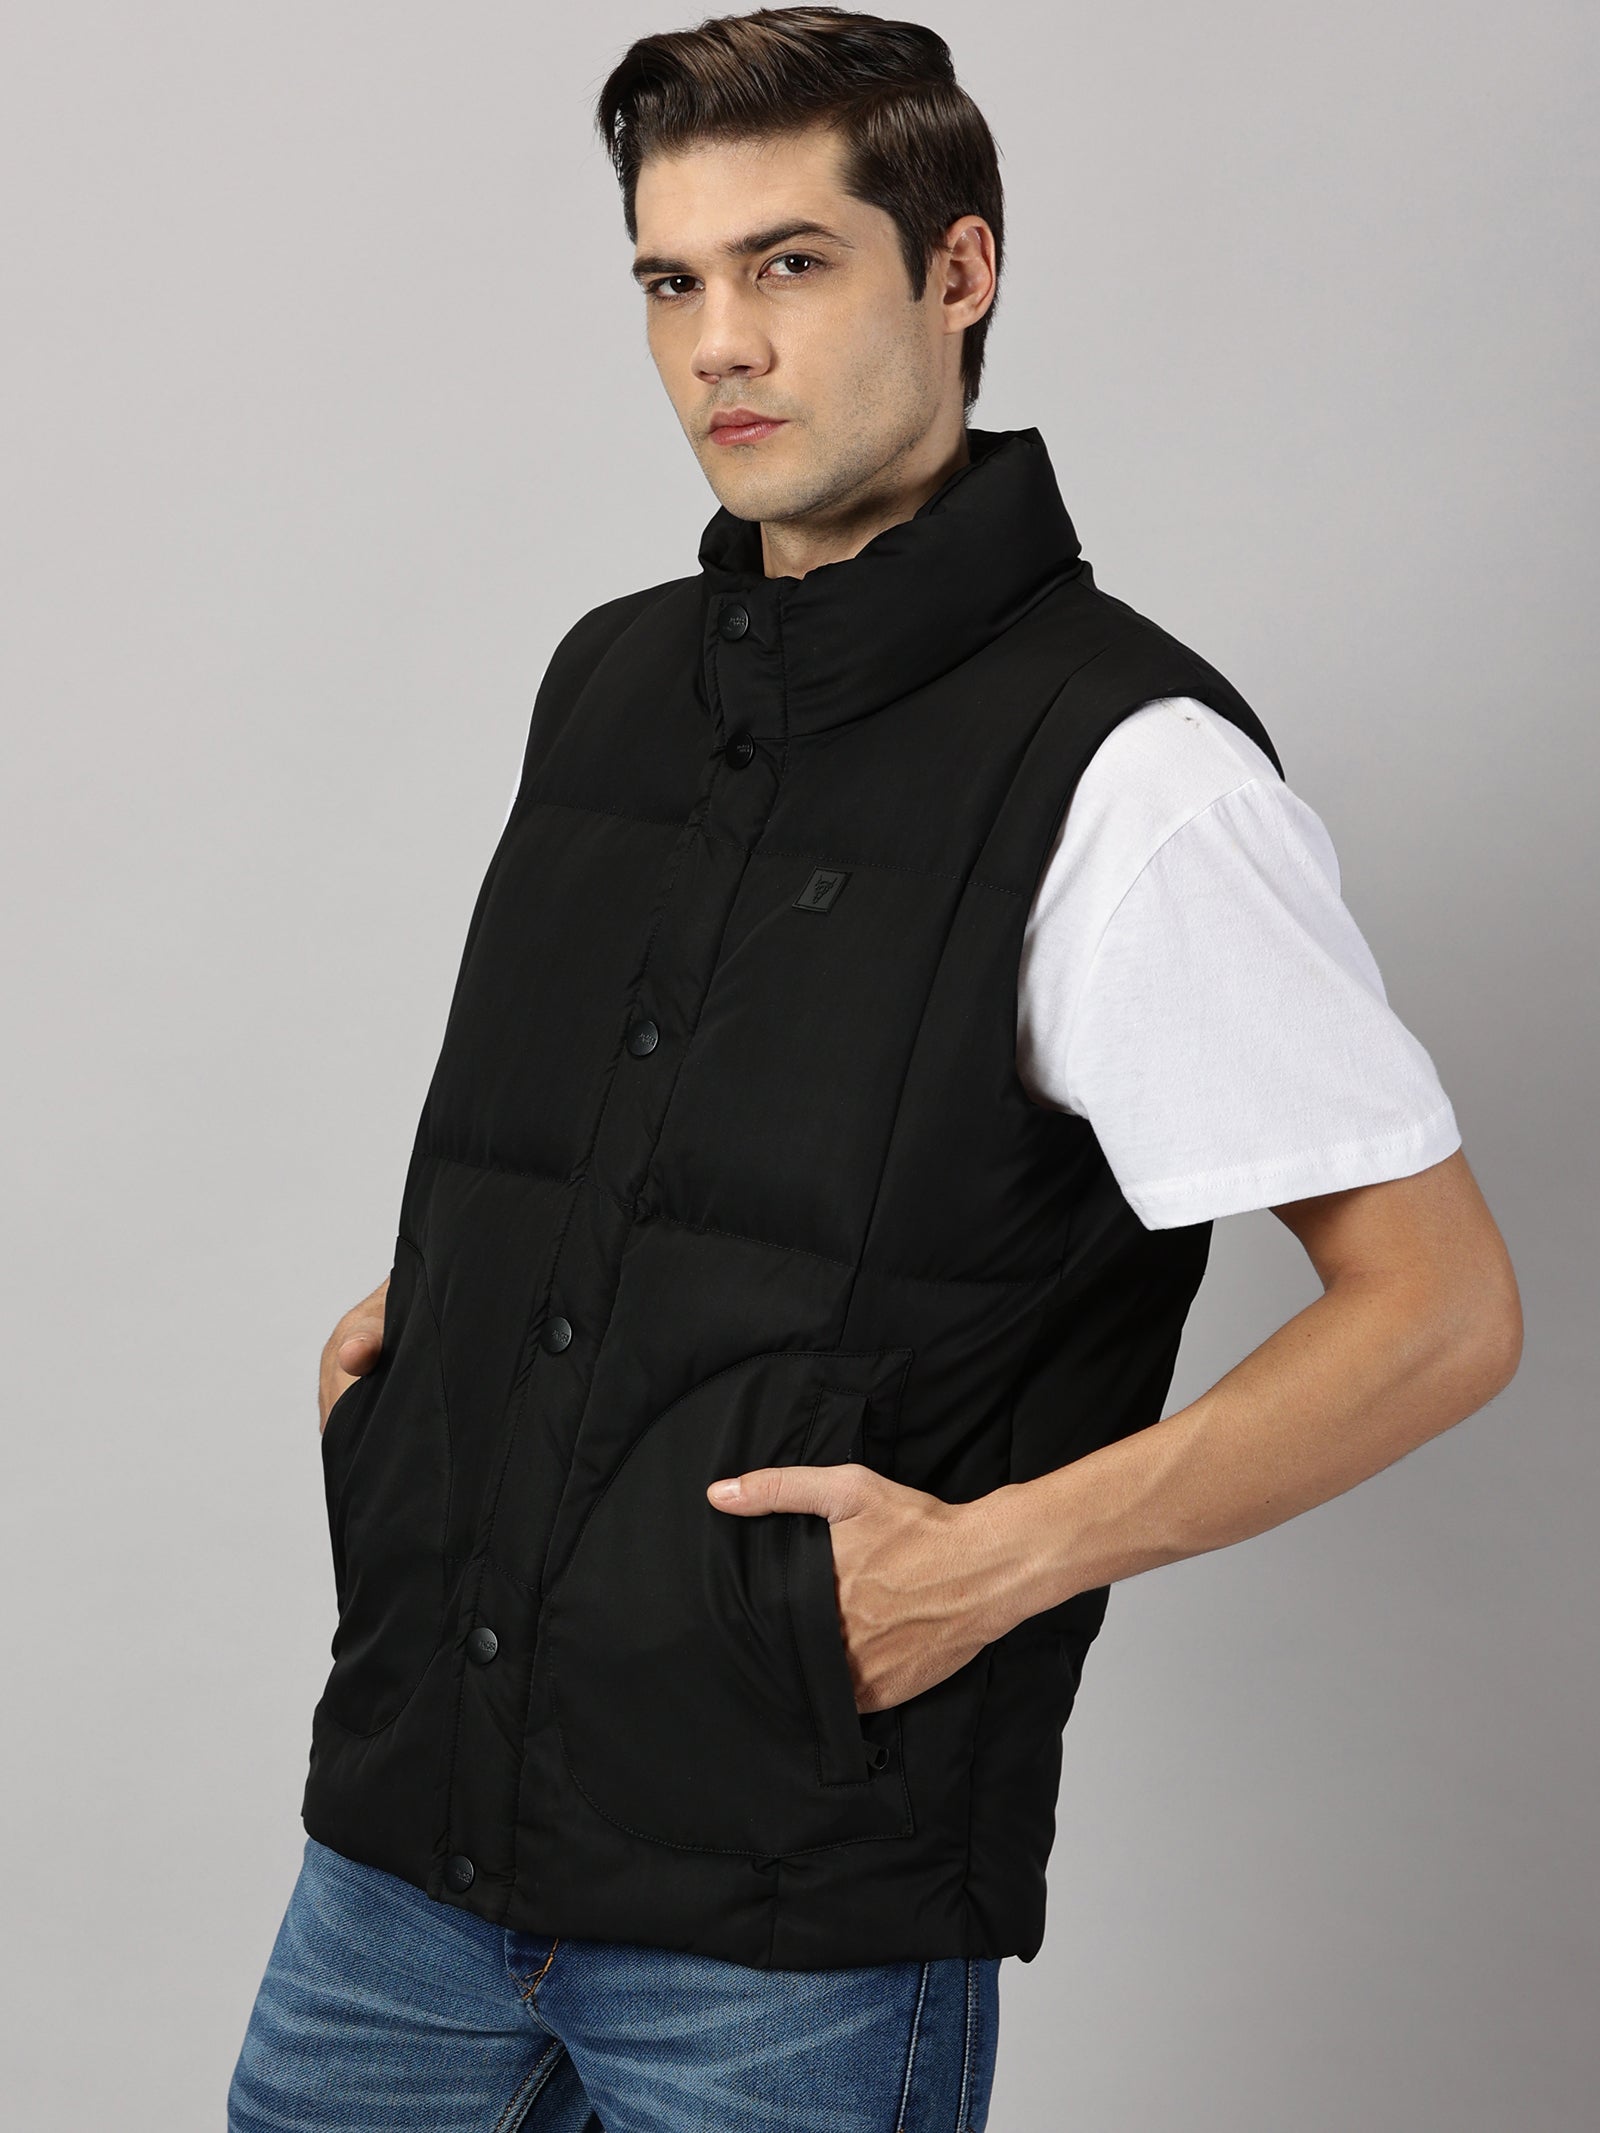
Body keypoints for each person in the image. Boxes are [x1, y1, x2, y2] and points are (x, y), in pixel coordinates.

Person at [228, 9, 1523, 2129]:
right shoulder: (612, 680)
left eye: (791, 263)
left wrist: (989, 1561)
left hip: (783, 1931)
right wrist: (420, 1395)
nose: (719, 343)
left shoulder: (1132, 774)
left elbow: (1439, 1310)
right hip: (403, 1852)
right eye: (671, 281)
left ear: (958, 271)